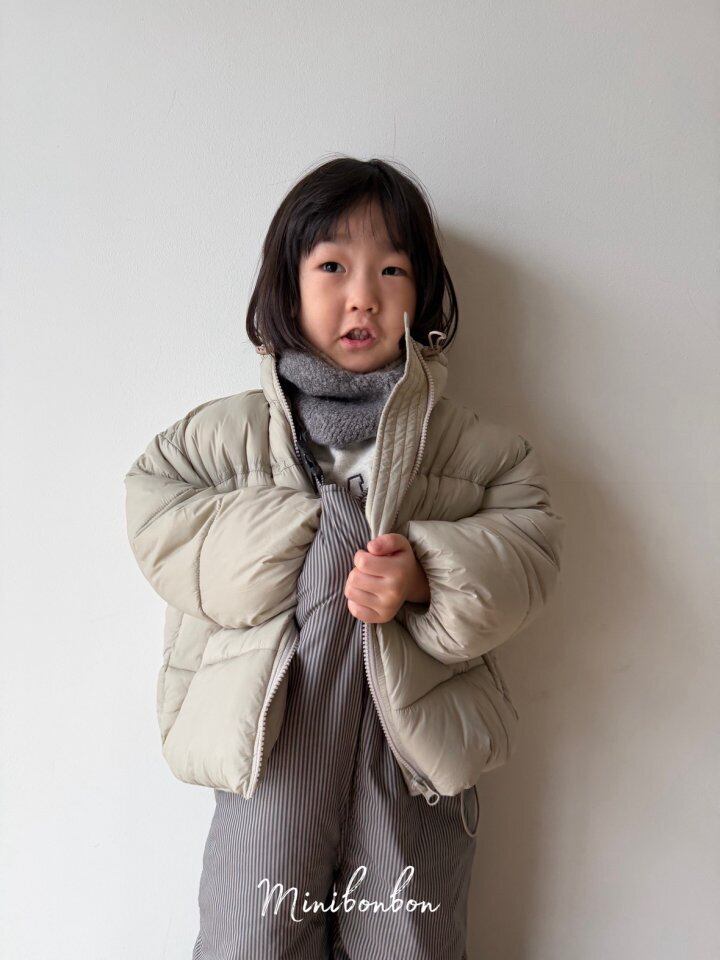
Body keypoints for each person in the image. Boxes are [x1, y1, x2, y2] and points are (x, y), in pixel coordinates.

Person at [123, 156, 565, 959]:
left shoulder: (465, 444)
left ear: (422, 295)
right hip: (274, 749)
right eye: (332, 267)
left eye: (392, 271)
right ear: (286, 287)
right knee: (254, 937)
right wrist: (296, 535)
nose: (363, 296)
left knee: (408, 938)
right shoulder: (228, 434)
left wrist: (427, 572)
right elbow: (157, 509)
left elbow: (529, 543)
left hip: (408, 755)